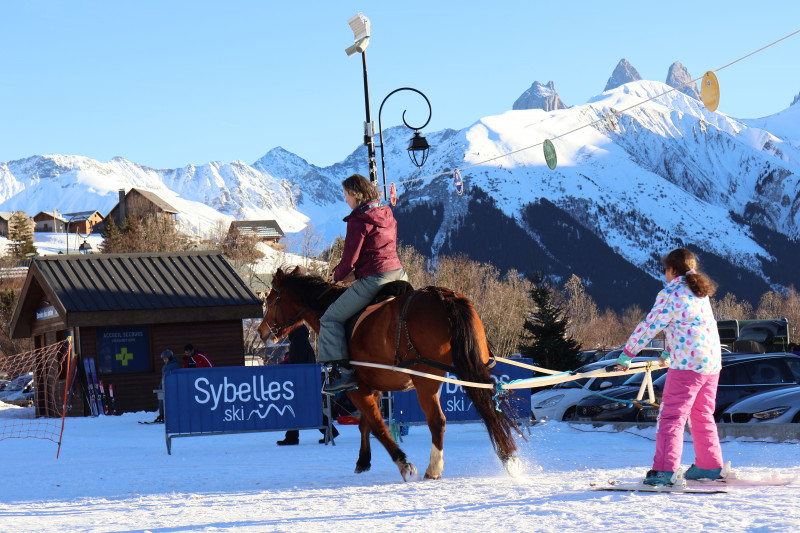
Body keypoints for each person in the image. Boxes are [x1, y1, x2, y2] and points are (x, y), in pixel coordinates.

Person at [615, 248, 724, 486]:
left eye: (665, 269)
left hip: (687, 366)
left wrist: (627, 354)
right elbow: (691, 328)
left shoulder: (671, 293)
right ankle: (709, 465)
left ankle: (664, 470)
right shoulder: (699, 292)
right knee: (702, 414)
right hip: (711, 363)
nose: (664, 273)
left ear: (672, 269)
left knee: (671, 416)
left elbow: (650, 325)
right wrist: (668, 352)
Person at [319, 174, 408, 393]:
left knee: (330, 318)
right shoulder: (387, 213)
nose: (346, 200)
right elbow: (379, 251)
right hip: (399, 275)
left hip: (375, 280)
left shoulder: (358, 220)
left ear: (355, 194)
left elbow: (349, 259)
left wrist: (336, 277)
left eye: (346, 195)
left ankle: (344, 373)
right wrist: (357, 274)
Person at [276, 325, 339, 445]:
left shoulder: (297, 341)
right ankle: (328, 430)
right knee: (306, 408)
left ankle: (293, 437)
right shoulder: (303, 340)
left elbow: (297, 363)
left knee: (296, 407)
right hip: (306, 380)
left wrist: (285, 366)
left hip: (299, 381)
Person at [154, 349, 181, 423]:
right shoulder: (166, 366)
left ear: (170, 358)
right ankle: (163, 415)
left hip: (171, 387)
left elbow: (170, 378)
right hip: (166, 386)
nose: (164, 361)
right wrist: (160, 386)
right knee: (162, 400)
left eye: (166, 359)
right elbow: (163, 378)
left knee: (168, 401)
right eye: (163, 359)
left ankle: (166, 415)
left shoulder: (173, 366)